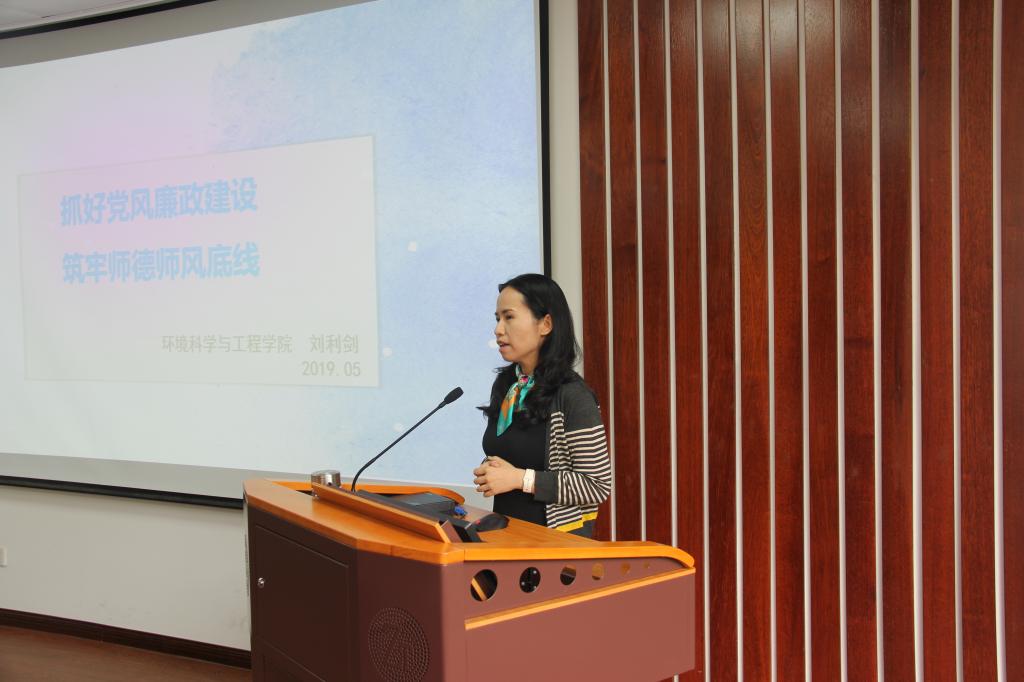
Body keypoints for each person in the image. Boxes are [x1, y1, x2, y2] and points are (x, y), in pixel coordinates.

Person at [472, 273, 611, 537]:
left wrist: (519, 479)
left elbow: (596, 485)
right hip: (507, 536)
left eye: (509, 317)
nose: (498, 329)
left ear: (545, 324)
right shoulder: (507, 386)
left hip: (555, 544)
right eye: (497, 318)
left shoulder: (573, 395)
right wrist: (492, 470)